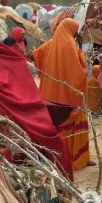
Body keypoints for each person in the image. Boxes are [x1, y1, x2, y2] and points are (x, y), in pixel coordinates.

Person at [32, 18, 90, 170]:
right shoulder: (71, 46)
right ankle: (76, 159)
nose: (77, 33)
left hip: (49, 97)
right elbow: (81, 72)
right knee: (75, 125)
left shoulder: (50, 45)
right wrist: (80, 47)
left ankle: (58, 159)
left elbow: (36, 57)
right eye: (75, 30)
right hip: (69, 98)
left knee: (55, 128)